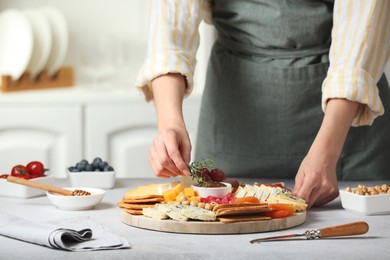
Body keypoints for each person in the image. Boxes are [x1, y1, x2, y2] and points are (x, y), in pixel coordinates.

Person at [135, 0, 390, 208]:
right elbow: (170, 33)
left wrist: (328, 151)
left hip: (346, 124)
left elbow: (361, 35)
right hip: (234, 117)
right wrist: (170, 124)